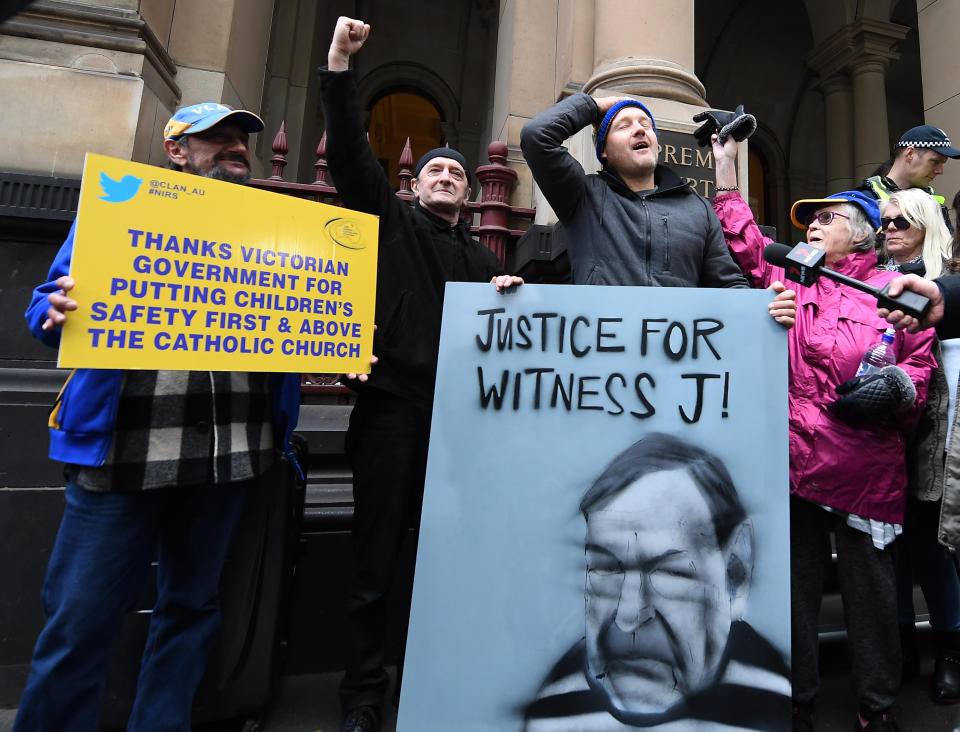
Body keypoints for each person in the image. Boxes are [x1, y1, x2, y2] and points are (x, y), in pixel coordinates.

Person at [14, 103, 305, 730]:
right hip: (123, 454)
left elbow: (306, 316)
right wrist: (52, 313)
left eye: (241, 140)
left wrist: (330, 341)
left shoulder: (275, 229)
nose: (235, 147)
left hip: (229, 456)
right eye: (217, 138)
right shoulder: (123, 212)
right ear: (177, 150)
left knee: (191, 612)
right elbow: (45, 304)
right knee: (81, 619)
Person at [319, 17, 524, 732]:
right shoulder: (390, 223)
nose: (446, 177)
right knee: (374, 569)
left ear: (470, 195)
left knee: (450, 565)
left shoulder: (482, 264)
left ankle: (437, 686)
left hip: (463, 433)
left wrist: (510, 298)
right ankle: (362, 700)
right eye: (436, 169)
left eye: (457, 174)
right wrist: (340, 69)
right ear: (415, 185)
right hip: (390, 417)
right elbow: (347, 153)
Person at [712, 133, 936, 731]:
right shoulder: (792, 282)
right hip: (793, 464)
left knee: (870, 600)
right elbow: (745, 241)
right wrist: (726, 166)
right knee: (792, 594)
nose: (811, 225)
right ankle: (797, 701)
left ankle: (877, 707)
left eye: (826, 218)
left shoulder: (893, 294)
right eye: (807, 220)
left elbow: (919, 363)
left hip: (867, 473)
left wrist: (897, 389)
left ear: (860, 233)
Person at [523, 433, 791, 731]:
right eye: (606, 568)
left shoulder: (770, 702)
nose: (628, 616)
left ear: (734, 575)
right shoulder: (553, 713)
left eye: (669, 573)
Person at [519, 94, 796, 326]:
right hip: (602, 366)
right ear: (603, 151)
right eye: (623, 126)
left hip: (676, 370)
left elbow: (728, 286)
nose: (640, 130)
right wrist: (598, 105)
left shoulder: (697, 209)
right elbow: (537, 136)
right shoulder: (583, 196)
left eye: (646, 125)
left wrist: (763, 307)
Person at [882, 188, 960, 703]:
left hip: (934, 437)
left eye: (902, 222)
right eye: (885, 221)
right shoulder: (868, 274)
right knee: (892, 549)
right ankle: (901, 647)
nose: (889, 229)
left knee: (930, 548)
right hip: (879, 435)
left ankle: (949, 652)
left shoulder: (939, 287)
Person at [859, 125, 960, 232]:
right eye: (935, 161)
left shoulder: (933, 202)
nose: (940, 171)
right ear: (910, 154)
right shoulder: (865, 201)